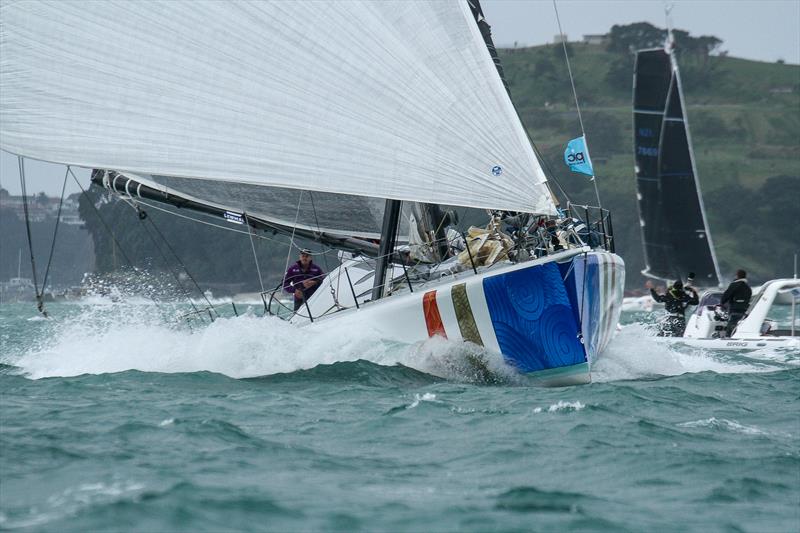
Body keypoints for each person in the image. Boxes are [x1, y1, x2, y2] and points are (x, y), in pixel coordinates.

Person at [720, 269, 752, 337]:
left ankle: (728, 338)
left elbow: (726, 296)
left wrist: (722, 304)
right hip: (745, 309)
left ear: (737, 276)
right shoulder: (748, 288)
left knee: (732, 324)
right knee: (740, 324)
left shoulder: (734, 285)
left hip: (735, 309)